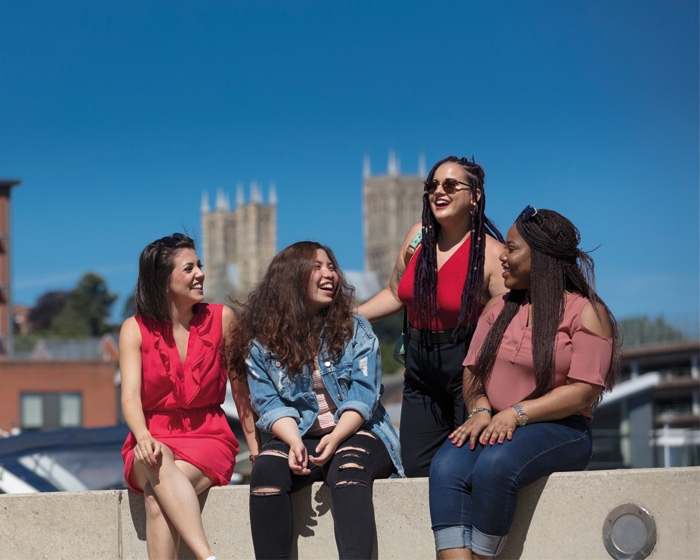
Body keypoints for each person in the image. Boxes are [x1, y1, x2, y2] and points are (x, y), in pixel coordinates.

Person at [429, 208, 621, 559]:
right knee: (445, 465)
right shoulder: (499, 308)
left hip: (563, 429)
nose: (502, 255)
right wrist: (481, 410)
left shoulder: (586, 312)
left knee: (495, 465)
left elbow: (584, 390)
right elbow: (472, 370)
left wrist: (517, 413)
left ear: (541, 256)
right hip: (496, 422)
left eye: (512, 248)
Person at [227, 241, 403, 559]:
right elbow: (268, 404)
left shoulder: (356, 330)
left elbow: (363, 396)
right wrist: (294, 441)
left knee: (347, 467)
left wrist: (335, 436)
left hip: (357, 431)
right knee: (266, 469)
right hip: (303, 435)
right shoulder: (263, 343)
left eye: (331, 266)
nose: (329, 274)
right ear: (290, 278)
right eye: (317, 267)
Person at [356, 156, 506, 477]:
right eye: (432, 185)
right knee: (417, 468)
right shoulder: (417, 238)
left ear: (475, 195)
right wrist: (349, 317)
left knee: (463, 468)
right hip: (419, 371)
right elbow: (395, 293)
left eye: (451, 185)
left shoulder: (492, 256)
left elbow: (508, 328)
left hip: (468, 370)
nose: (440, 191)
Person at [120, 233, 259, 560]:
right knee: (157, 456)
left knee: (156, 501)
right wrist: (142, 436)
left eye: (200, 265)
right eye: (189, 268)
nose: (201, 273)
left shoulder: (223, 319)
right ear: (163, 280)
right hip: (149, 438)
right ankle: (207, 556)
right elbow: (128, 396)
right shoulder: (133, 329)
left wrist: (256, 452)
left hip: (208, 436)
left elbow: (241, 392)